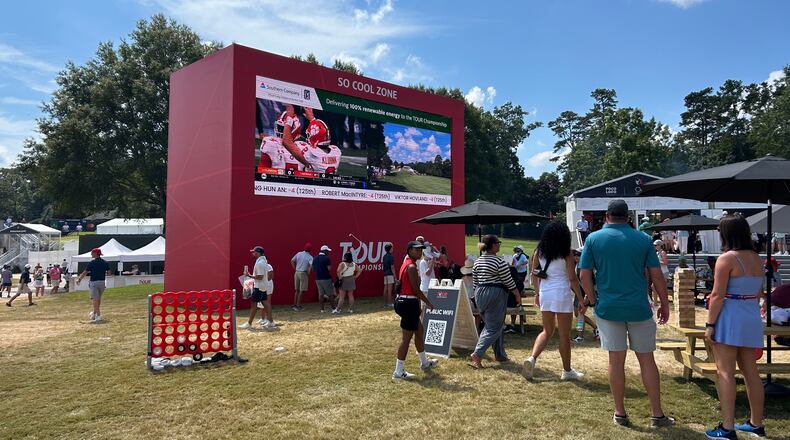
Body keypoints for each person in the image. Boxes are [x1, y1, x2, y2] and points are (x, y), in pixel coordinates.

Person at [578, 199, 674, 428]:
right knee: (647, 359)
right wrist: (664, 302)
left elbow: (584, 274)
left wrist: (592, 299)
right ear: (628, 217)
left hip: (608, 307)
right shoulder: (643, 239)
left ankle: (620, 412)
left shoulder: (593, 238)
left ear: (607, 216)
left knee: (616, 359)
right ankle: (657, 414)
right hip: (639, 306)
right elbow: (657, 275)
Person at [703, 215, 767, 439]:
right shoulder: (756, 258)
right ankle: (756, 422)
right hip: (750, 315)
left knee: (725, 372)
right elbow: (759, 293)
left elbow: (717, 296)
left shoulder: (726, 259)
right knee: (751, 372)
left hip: (730, 316)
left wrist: (710, 324)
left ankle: (727, 427)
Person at [522, 221, 585, 381]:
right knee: (564, 335)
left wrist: (537, 293)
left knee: (547, 331)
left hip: (545, 293)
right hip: (562, 294)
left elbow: (534, 274)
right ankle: (567, 370)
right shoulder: (566, 253)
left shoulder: (539, 251)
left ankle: (532, 358)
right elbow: (572, 278)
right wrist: (580, 298)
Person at [469, 234, 520, 368]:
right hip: (495, 293)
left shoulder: (478, 261)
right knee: (494, 327)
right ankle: (477, 353)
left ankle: (500, 354)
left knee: (493, 325)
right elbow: (509, 281)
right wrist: (517, 295)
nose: (499, 244)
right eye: (498, 242)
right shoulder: (499, 262)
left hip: (479, 293)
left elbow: (475, 282)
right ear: (492, 245)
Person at [392, 240, 438, 380]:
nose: (420, 252)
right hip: (409, 303)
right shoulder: (411, 267)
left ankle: (424, 362)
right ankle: (398, 372)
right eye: (417, 250)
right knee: (406, 339)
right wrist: (428, 302)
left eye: (421, 250)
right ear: (410, 251)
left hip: (406, 302)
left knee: (419, 331)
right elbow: (416, 290)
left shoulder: (407, 264)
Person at [77, 249, 112, 322]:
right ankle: (94, 314)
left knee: (95, 300)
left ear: (96, 253)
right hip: (102, 282)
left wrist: (79, 279)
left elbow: (85, 272)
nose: (91, 254)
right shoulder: (105, 262)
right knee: (98, 299)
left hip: (94, 282)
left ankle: (98, 316)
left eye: (92, 253)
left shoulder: (92, 263)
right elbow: (109, 273)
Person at [571, 247, 598, 342]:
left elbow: (590, 282)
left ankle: (580, 336)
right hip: (580, 293)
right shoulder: (577, 265)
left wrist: (587, 296)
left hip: (586, 293)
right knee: (578, 314)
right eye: (574, 255)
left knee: (580, 314)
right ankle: (595, 328)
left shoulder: (585, 267)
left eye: (578, 255)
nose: (575, 256)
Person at [240, 246, 271, 329]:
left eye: (254, 252)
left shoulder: (260, 263)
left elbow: (260, 277)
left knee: (254, 304)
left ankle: (249, 323)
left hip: (259, 287)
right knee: (265, 303)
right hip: (262, 286)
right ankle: (271, 322)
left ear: (258, 253)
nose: (252, 253)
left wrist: (249, 275)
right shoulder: (262, 261)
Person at [313, 245, 337, 313]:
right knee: (330, 294)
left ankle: (322, 310)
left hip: (318, 279)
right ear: (325, 251)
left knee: (320, 294)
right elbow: (329, 269)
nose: (328, 252)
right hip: (326, 278)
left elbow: (313, 269)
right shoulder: (327, 258)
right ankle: (334, 309)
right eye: (327, 251)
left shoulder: (315, 258)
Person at [290, 243, 313, 311]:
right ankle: (298, 305)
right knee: (301, 290)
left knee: (297, 290)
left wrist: (295, 268)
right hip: (303, 273)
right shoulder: (310, 257)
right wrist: (309, 272)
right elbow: (311, 266)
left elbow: (292, 261)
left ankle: (294, 304)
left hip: (297, 272)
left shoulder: (299, 253)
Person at [256, 261, 276, 328]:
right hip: (261, 285)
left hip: (268, 285)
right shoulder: (258, 267)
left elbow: (270, 276)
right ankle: (263, 318)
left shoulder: (268, 266)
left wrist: (261, 280)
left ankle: (269, 320)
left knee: (267, 302)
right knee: (261, 302)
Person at [653, 240, 669, 306]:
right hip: (660, 272)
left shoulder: (663, 253)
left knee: (662, 288)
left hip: (664, 272)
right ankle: (656, 303)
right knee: (653, 287)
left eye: (656, 245)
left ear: (660, 245)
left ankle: (662, 303)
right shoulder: (657, 253)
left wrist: (657, 262)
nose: (655, 246)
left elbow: (665, 263)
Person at [382, 243, 396, 308]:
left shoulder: (384, 256)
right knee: (389, 289)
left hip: (385, 274)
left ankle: (385, 304)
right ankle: (389, 304)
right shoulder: (391, 256)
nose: (393, 249)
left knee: (385, 289)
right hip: (390, 274)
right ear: (390, 249)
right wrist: (395, 275)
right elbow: (392, 267)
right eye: (392, 248)